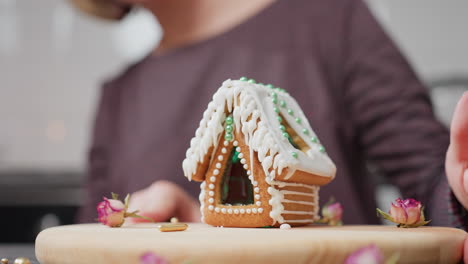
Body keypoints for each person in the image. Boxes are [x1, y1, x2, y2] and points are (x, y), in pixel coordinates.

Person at [72, 0, 468, 229]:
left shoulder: (329, 19)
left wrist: (459, 186)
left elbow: (433, 177)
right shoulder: (118, 97)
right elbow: (95, 233)